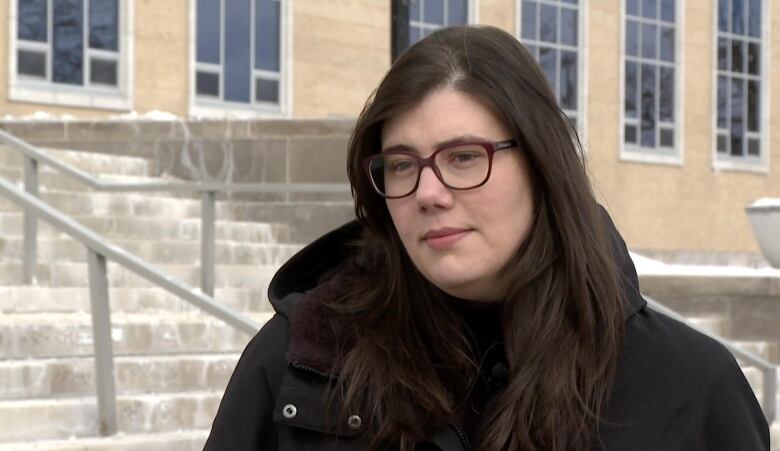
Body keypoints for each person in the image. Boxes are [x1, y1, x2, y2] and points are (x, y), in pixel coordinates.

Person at [204, 26, 769, 450]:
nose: (428, 191)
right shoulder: (300, 361)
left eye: (464, 156)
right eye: (402, 165)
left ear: (543, 166)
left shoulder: (693, 390)